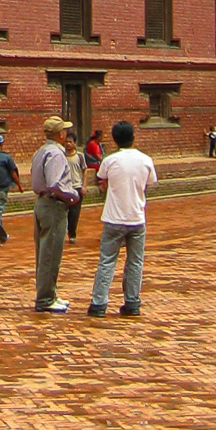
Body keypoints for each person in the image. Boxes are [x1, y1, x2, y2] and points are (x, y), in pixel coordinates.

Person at [87, 120, 158, 319]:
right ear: (133, 138)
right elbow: (150, 182)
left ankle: (99, 303)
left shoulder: (110, 160)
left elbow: (102, 177)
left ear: (115, 140)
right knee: (135, 262)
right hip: (136, 217)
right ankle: (132, 302)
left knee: (107, 261)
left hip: (113, 218)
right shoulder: (145, 160)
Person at [30, 114, 80, 312]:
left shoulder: (41, 152)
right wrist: (71, 195)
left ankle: (50, 293)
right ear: (60, 134)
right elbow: (54, 183)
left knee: (44, 253)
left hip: (42, 202)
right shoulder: (57, 154)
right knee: (50, 253)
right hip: (54, 205)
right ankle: (45, 299)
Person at [64, 130, 88, 244]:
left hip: (77, 187)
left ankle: (72, 234)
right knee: (63, 211)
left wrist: (84, 185)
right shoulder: (61, 156)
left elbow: (84, 171)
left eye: (70, 142)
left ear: (74, 143)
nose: (68, 144)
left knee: (74, 213)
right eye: (66, 142)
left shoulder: (79, 156)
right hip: (64, 187)